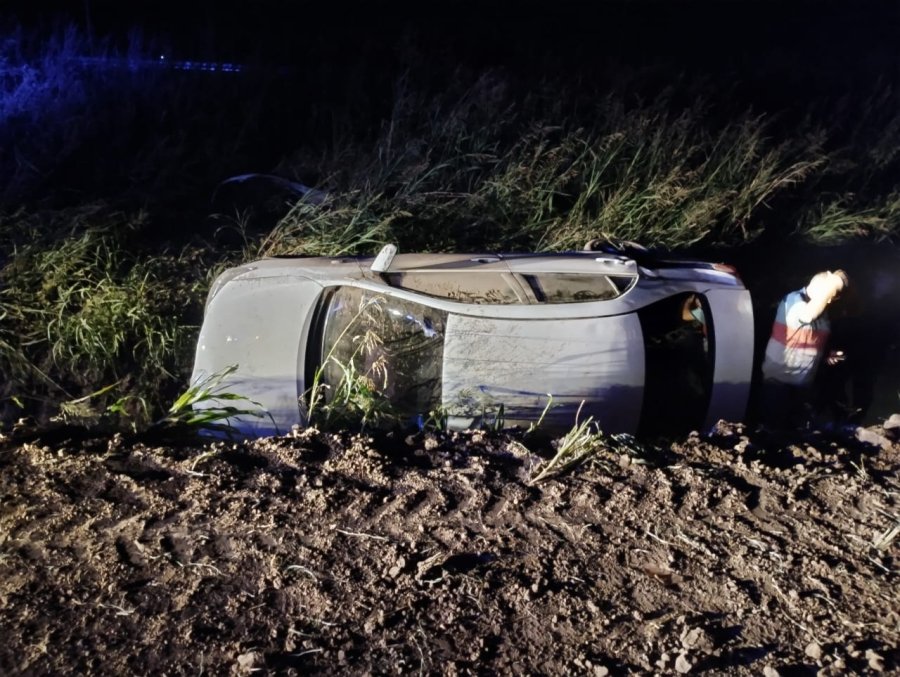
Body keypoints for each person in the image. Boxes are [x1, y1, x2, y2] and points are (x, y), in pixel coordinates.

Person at [759, 270, 849, 429]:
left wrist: (827, 355)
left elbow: (810, 340)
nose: (830, 300)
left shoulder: (822, 312)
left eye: (834, 296)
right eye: (830, 294)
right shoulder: (793, 300)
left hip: (803, 383)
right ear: (819, 288)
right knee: (773, 429)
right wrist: (833, 283)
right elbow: (807, 315)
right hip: (780, 380)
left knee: (795, 430)